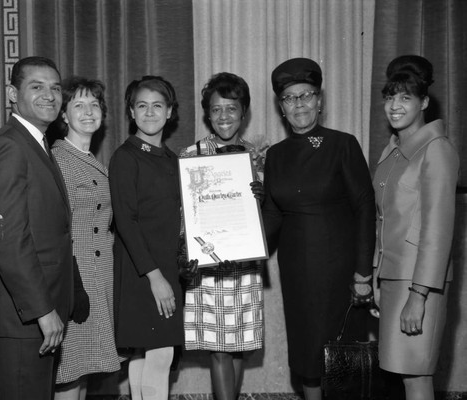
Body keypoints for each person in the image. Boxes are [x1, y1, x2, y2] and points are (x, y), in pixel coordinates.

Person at [262, 58, 376, 400]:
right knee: (307, 353)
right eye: (289, 98)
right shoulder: (276, 155)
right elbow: (272, 215)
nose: (298, 104)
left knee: (341, 357)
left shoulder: (343, 144)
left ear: (320, 101)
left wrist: (362, 274)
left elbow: (365, 207)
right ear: (281, 108)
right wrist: (235, 249)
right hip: (296, 269)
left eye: (306, 95)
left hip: (339, 271)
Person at [0, 56, 74, 400]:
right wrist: (42, 309)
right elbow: (8, 241)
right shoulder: (9, 146)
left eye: (55, 88)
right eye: (37, 87)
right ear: (12, 93)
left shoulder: (37, 144)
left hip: (42, 314)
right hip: (26, 319)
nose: (49, 95)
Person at [372, 55, 459, 400]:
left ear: (424, 102)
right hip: (395, 279)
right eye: (390, 97)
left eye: (405, 98)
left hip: (419, 283)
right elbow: (386, 219)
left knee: (417, 376)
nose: (394, 106)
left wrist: (419, 296)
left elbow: (438, 231)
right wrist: (380, 276)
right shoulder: (393, 149)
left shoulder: (436, 149)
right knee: (403, 374)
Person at [179, 72, 265, 400]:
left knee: (240, 347)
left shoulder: (256, 157)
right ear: (207, 114)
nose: (224, 117)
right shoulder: (190, 155)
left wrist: (263, 196)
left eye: (231, 109)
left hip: (243, 265)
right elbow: (183, 217)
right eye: (216, 110)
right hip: (208, 263)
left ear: (244, 112)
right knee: (219, 349)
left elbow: (268, 217)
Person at [109, 76, 185, 400]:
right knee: (159, 354)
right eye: (142, 105)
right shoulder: (125, 157)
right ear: (131, 111)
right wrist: (154, 277)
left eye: (158, 106)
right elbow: (126, 222)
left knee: (149, 355)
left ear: (169, 112)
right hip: (144, 271)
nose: (150, 113)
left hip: (166, 266)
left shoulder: (172, 160)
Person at [50, 76, 121, 399]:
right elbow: (55, 230)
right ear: (63, 115)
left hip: (100, 276)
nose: (89, 111)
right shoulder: (59, 160)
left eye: (95, 104)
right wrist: (71, 285)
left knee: (86, 372)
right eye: (79, 105)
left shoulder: (93, 161)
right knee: (71, 373)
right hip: (78, 280)